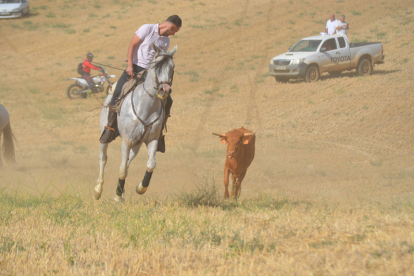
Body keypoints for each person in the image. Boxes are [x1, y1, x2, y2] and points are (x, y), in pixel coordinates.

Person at [100, 15, 182, 152]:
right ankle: (110, 128)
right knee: (117, 92)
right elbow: (132, 45)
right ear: (171, 27)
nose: (174, 34)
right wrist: (130, 65)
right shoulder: (146, 28)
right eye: (175, 31)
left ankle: (159, 134)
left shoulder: (166, 41)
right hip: (135, 68)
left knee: (168, 100)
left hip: (151, 74)